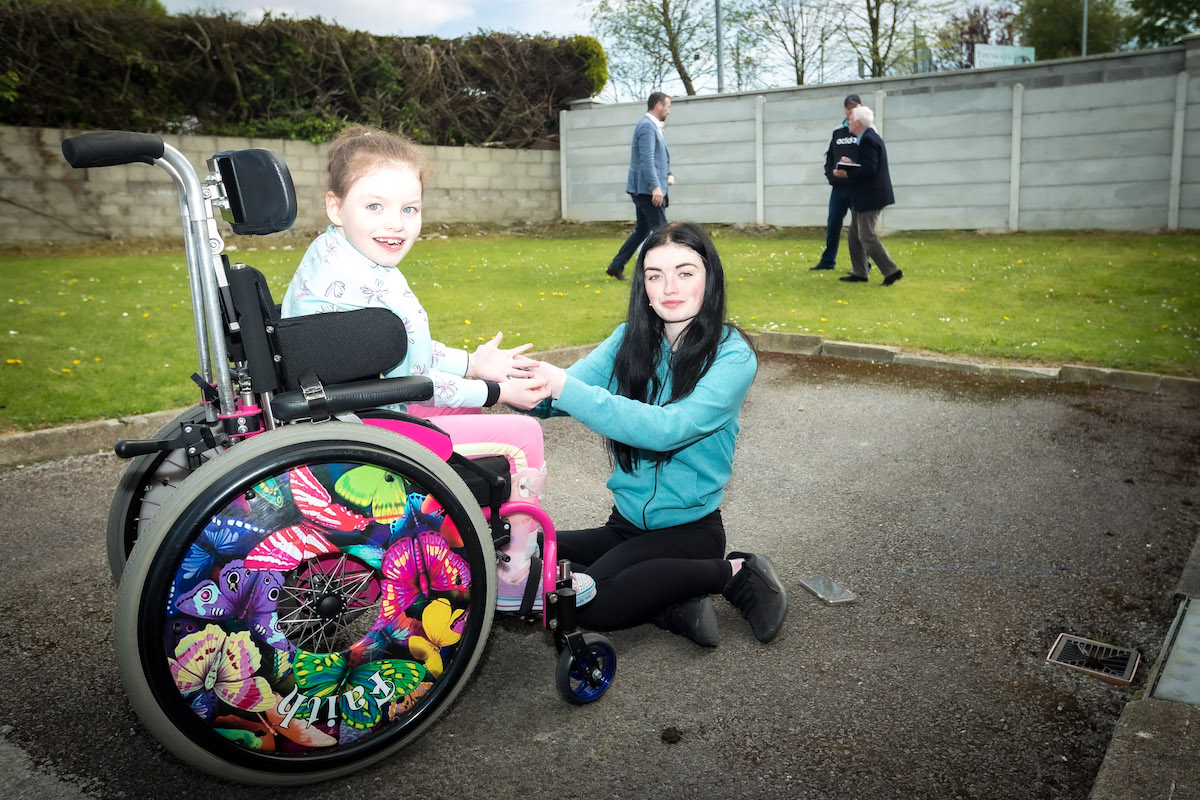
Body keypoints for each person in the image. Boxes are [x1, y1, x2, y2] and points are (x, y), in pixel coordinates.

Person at [280, 124, 595, 611]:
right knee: (523, 436)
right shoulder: (369, 282)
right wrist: (493, 391)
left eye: (409, 209)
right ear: (335, 207)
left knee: (474, 423)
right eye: (375, 206)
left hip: (347, 412)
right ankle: (513, 576)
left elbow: (404, 350)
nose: (396, 224)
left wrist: (473, 362)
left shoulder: (337, 254)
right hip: (366, 430)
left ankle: (452, 543)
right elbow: (420, 385)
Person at [516, 222, 788, 647]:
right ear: (642, 285)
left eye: (685, 272)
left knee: (588, 601)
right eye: (654, 275)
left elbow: (667, 430)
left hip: (690, 532)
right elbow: (560, 393)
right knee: (522, 558)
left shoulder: (733, 355)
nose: (669, 288)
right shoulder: (630, 338)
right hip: (623, 527)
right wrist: (506, 382)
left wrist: (564, 388)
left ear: (709, 278)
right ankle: (671, 601)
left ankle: (734, 572)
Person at [605, 92, 674, 281]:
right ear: (659, 106)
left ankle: (616, 266)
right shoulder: (646, 126)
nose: (669, 110)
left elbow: (657, 159)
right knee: (663, 233)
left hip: (646, 188)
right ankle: (660, 272)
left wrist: (667, 175)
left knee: (642, 231)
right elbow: (646, 159)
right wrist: (655, 187)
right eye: (668, 106)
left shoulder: (653, 127)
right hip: (646, 190)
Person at [834, 105, 904, 286]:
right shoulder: (865, 138)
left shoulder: (868, 140)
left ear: (857, 122)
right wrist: (851, 163)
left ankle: (892, 271)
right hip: (865, 195)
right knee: (854, 236)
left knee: (866, 236)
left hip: (871, 196)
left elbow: (870, 170)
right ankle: (860, 272)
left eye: (850, 119)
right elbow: (867, 165)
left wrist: (846, 173)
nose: (848, 121)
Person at [812, 94, 870, 274]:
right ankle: (828, 261)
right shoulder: (837, 132)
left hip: (858, 188)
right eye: (848, 107)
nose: (850, 111)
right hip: (838, 189)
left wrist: (854, 175)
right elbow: (827, 156)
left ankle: (863, 264)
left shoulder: (868, 131)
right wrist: (832, 176)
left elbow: (870, 161)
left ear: (861, 107)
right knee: (833, 225)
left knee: (861, 229)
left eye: (854, 107)